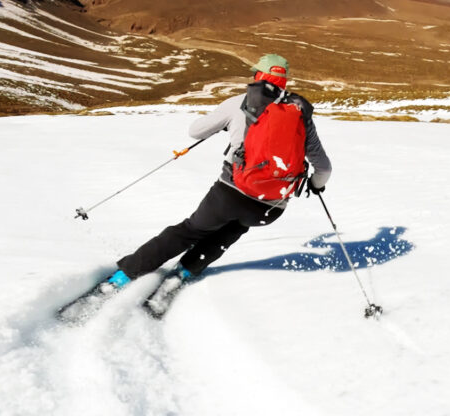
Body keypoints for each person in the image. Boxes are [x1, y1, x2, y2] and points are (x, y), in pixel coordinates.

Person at [105, 53, 332, 288]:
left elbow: (195, 131)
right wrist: (316, 185)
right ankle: (187, 270)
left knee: (190, 230)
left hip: (230, 193)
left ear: (258, 76)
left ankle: (125, 274)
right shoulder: (299, 114)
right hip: (270, 208)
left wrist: (228, 125)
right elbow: (324, 168)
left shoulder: (240, 102)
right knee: (234, 228)